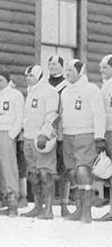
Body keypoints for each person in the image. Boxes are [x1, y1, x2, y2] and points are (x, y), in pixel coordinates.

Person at [60, 59, 106, 223]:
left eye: (71, 70)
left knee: (82, 171)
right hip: (68, 135)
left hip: (85, 134)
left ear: (80, 72)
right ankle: (79, 208)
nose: (67, 73)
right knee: (72, 172)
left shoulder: (91, 89)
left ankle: (87, 211)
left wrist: (99, 137)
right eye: (66, 70)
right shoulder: (65, 91)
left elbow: (99, 115)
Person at [20, 65, 59, 220]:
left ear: (39, 76)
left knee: (45, 173)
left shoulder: (49, 91)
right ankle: (37, 207)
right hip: (28, 137)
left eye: (31, 75)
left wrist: (44, 134)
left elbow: (52, 114)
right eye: (27, 75)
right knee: (33, 174)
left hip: (41, 138)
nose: (28, 78)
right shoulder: (30, 92)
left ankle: (48, 209)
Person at [0, 69, 24, 216]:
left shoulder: (16, 95)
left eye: (1, 80)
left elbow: (20, 117)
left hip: (6, 133)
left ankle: (12, 198)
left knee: (8, 166)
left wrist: (11, 135)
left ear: (8, 80)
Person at [47, 55, 70, 216]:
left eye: (55, 64)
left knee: (63, 169)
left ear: (61, 66)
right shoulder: (44, 85)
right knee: (46, 166)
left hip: (62, 131)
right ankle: (46, 203)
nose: (52, 66)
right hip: (47, 131)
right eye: (50, 64)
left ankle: (64, 203)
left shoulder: (67, 85)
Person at [97, 54, 112, 221]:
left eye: (105, 68)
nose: (101, 71)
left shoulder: (109, 86)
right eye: (100, 67)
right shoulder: (105, 85)